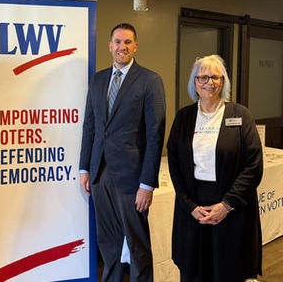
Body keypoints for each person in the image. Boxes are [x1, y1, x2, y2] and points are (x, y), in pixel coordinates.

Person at [79, 23, 166, 281]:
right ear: (110, 46)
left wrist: (147, 184)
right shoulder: (97, 80)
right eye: (118, 42)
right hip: (100, 174)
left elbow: (155, 134)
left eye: (128, 42)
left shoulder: (150, 81)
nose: (122, 47)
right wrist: (85, 168)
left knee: (137, 244)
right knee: (108, 241)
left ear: (135, 46)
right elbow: (90, 126)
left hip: (131, 178)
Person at [167, 54, 263, 282]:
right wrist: (189, 205)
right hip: (193, 204)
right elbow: (175, 164)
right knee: (194, 270)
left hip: (231, 205)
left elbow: (253, 165)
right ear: (194, 82)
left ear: (223, 81)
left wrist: (227, 205)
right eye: (203, 77)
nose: (209, 82)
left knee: (228, 270)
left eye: (215, 77)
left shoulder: (240, 115)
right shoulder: (183, 117)